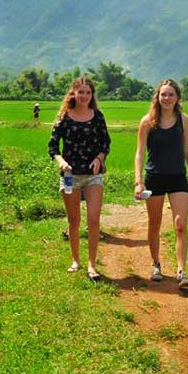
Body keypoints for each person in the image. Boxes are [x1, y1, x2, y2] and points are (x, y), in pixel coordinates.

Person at [134, 79, 188, 291]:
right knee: (155, 223)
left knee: (180, 224)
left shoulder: (183, 120)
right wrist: (138, 181)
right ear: (157, 97)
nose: (167, 98)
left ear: (178, 98)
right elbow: (140, 153)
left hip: (177, 177)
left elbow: (186, 147)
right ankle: (156, 264)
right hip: (154, 177)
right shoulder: (147, 121)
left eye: (171, 94)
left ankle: (181, 271)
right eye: (163, 94)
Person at [48, 76, 110, 282]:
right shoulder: (64, 117)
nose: (84, 96)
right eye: (80, 92)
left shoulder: (97, 116)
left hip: (93, 176)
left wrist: (99, 158)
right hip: (69, 176)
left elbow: (106, 143)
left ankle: (92, 264)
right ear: (73, 93)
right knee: (74, 221)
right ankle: (76, 260)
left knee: (93, 219)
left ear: (92, 95)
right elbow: (53, 147)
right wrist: (61, 162)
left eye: (88, 92)